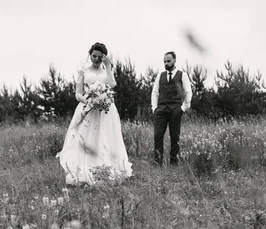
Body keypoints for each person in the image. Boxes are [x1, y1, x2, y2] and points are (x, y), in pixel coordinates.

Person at [56, 42, 133, 185]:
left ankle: (107, 169)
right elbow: (78, 94)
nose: (96, 59)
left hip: (105, 111)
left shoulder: (106, 71)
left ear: (104, 57)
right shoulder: (83, 72)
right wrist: (89, 100)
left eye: (99, 57)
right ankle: (84, 172)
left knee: (105, 138)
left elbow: (112, 84)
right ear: (90, 55)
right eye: (94, 56)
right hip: (88, 109)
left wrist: (109, 66)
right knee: (86, 140)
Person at [150, 51, 193, 165]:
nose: (166, 63)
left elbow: (188, 92)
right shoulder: (160, 75)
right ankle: (157, 162)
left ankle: (174, 162)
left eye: (168, 61)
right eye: (164, 61)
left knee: (175, 137)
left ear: (174, 60)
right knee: (158, 136)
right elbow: (155, 92)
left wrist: (183, 108)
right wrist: (154, 108)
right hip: (161, 110)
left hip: (175, 110)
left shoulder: (182, 75)